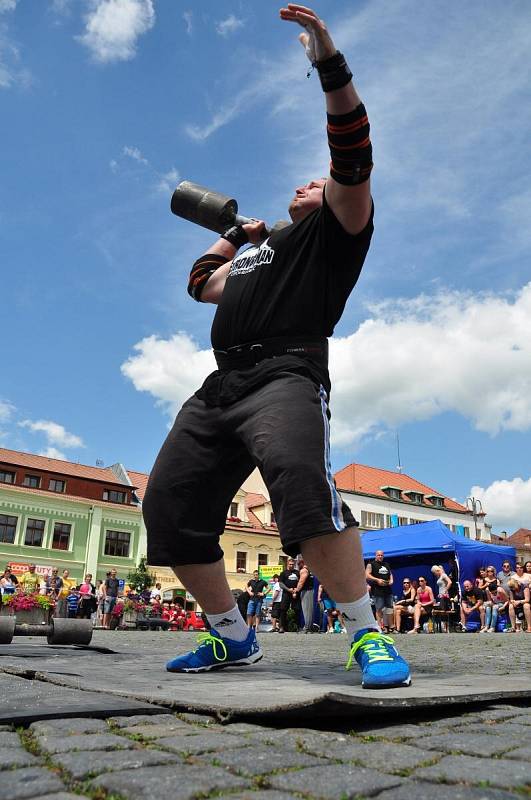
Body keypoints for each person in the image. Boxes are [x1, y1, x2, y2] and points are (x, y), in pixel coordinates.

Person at [141, 4, 410, 689]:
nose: (304, 183)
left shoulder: (337, 231)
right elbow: (201, 284)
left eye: (313, 183)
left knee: (299, 484)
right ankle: (233, 638)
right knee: (168, 508)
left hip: (287, 374)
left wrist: (328, 62)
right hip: (220, 385)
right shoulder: (261, 254)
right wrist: (236, 233)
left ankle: (365, 637)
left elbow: (352, 153)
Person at [365, 551, 394, 633]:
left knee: (390, 608)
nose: (380, 556)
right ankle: (380, 627)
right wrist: (377, 580)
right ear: (375, 556)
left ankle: (391, 627)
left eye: (381, 555)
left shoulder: (386, 564)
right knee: (379, 609)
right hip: (377, 590)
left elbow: (390, 573)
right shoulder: (371, 564)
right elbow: (366, 575)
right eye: (378, 555)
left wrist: (391, 580)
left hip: (387, 589)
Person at [278, 557, 301, 633]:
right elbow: (281, 584)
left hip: (295, 594)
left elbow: (300, 583)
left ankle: (297, 627)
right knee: (283, 610)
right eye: (290, 564)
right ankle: (282, 627)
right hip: (286, 594)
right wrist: (288, 589)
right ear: (287, 564)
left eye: (292, 564)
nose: (291, 565)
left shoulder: (298, 573)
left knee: (297, 610)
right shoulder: (283, 573)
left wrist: (295, 591)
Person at [296, 557, 316, 633]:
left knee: (306, 610)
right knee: (309, 610)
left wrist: (296, 590)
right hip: (311, 590)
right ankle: (309, 627)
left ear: (302, 563)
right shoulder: (310, 571)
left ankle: (307, 628)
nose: (298, 565)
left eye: (298, 564)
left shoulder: (304, 570)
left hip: (306, 591)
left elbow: (301, 581)